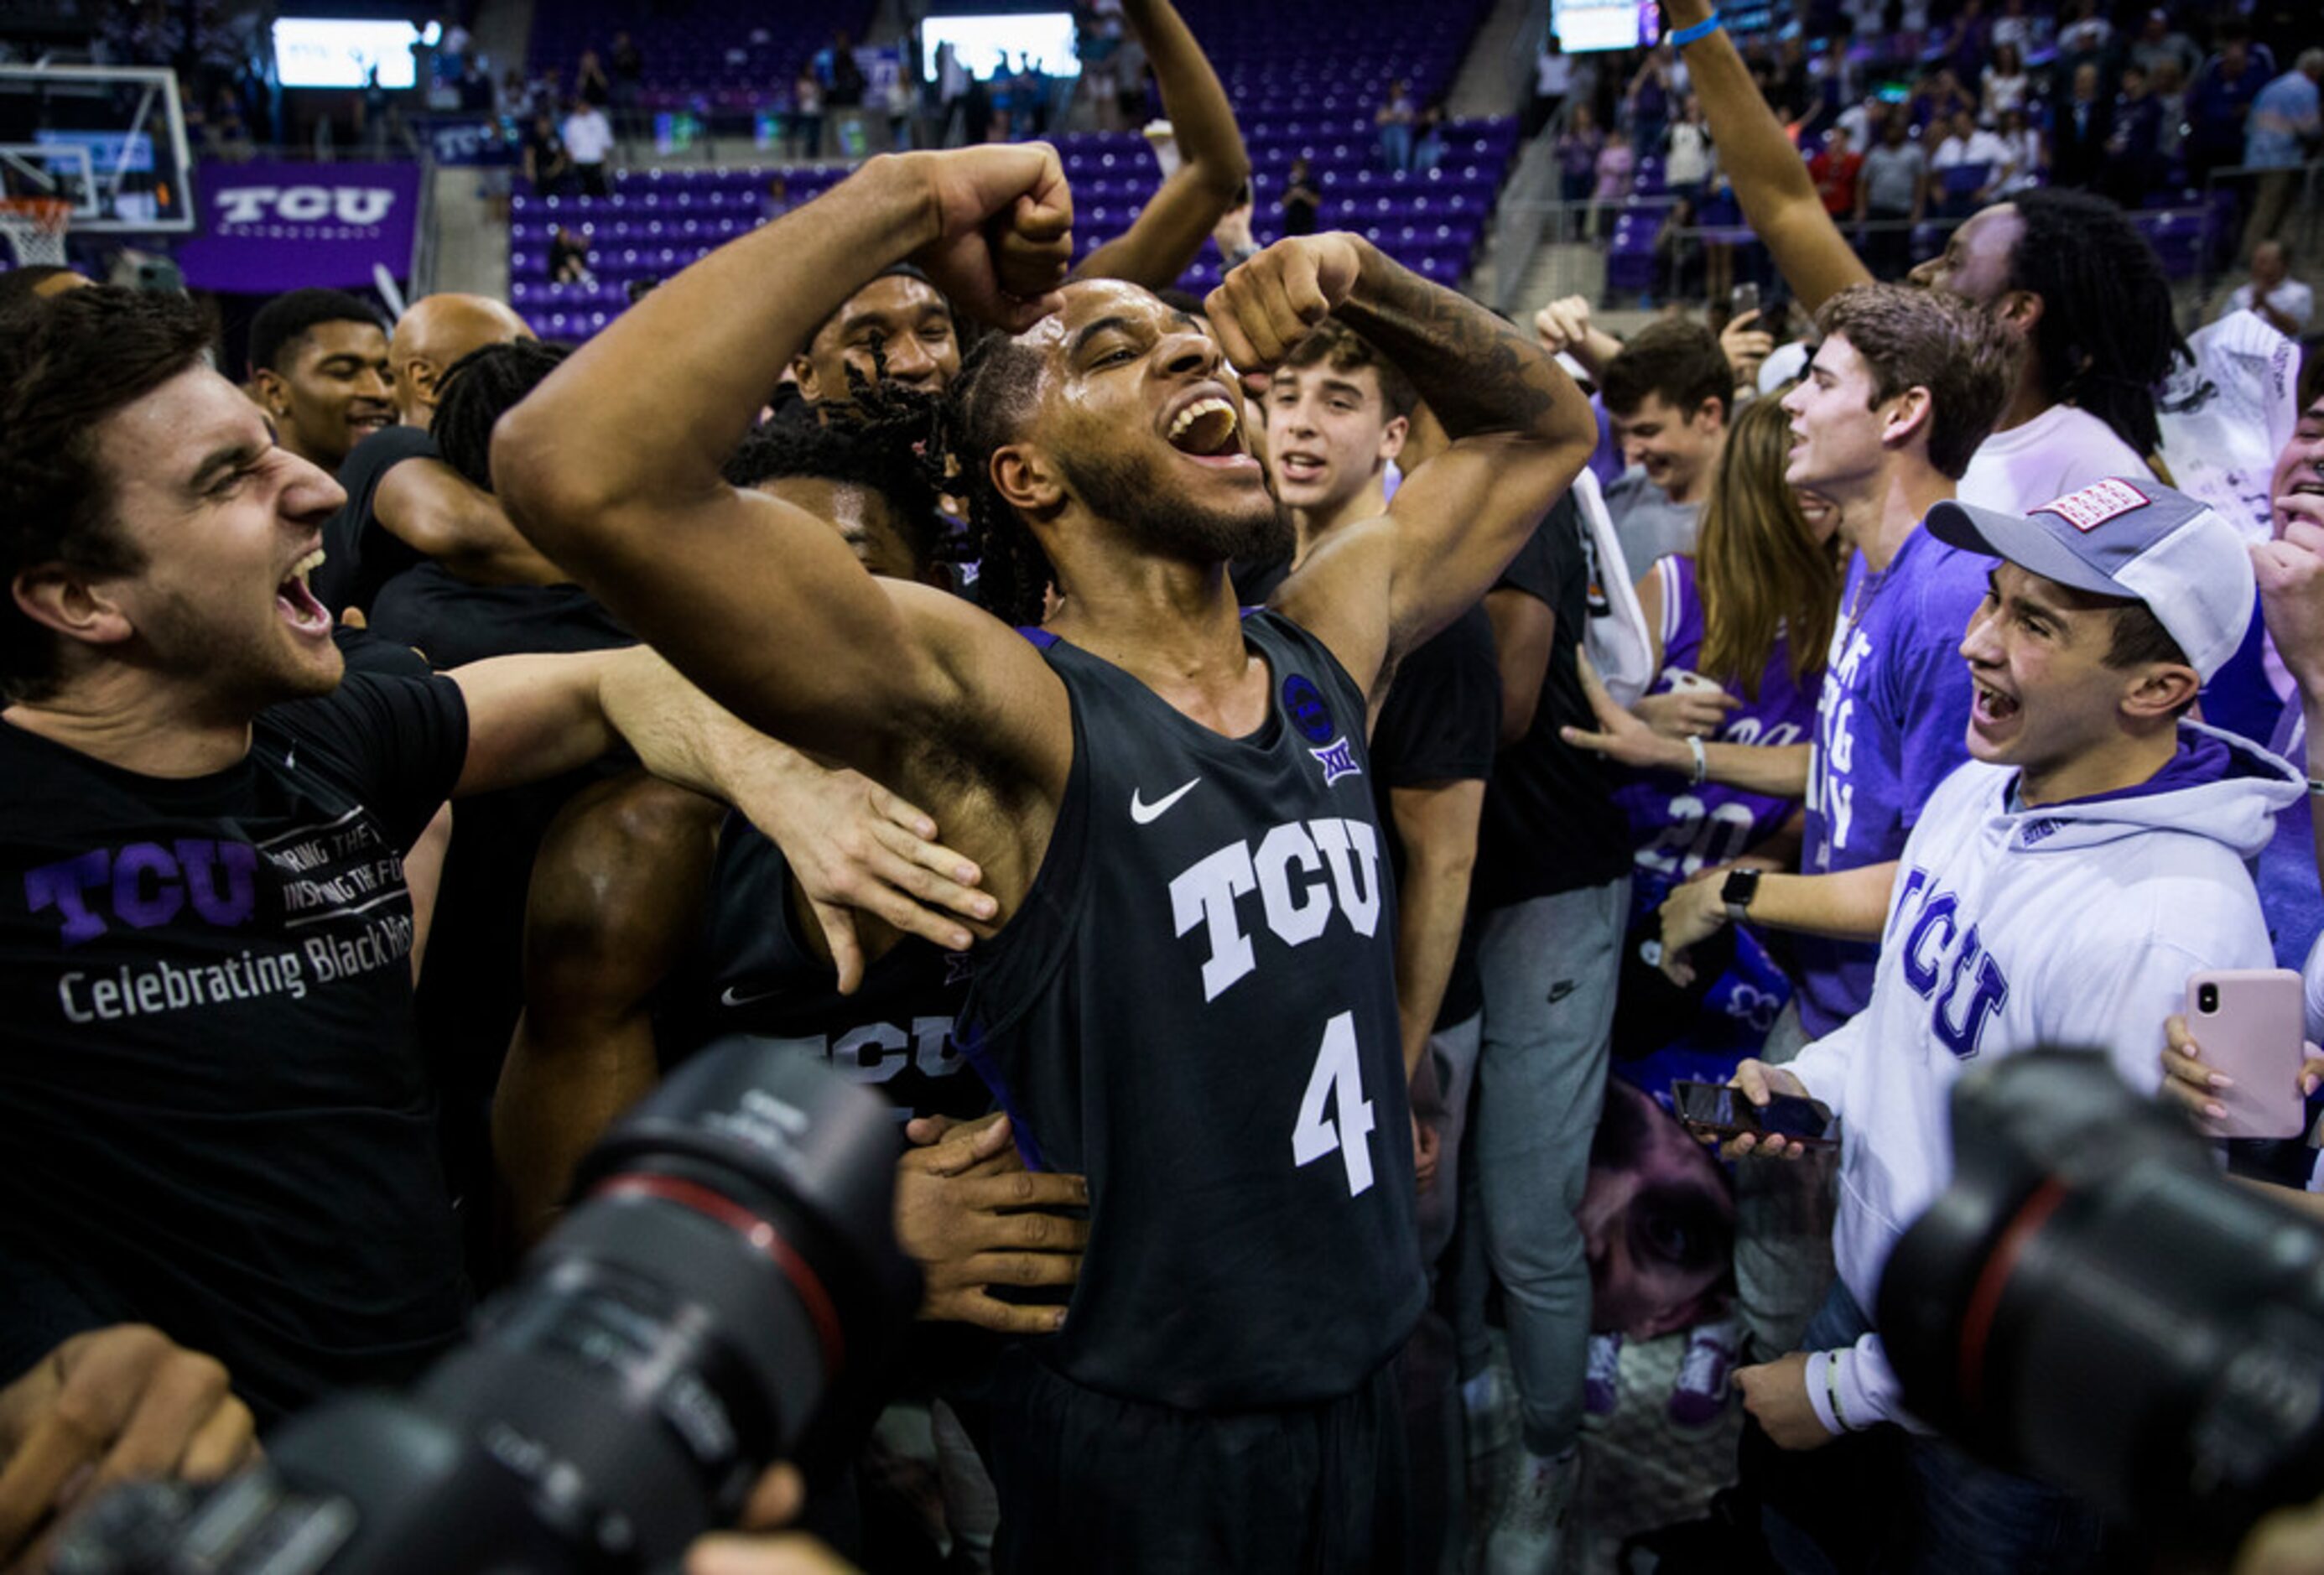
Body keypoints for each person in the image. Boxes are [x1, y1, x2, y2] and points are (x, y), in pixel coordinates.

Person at [488, 143, 1594, 1573]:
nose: (1192, 347)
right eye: (1117, 351)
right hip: (1161, 1429)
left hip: (1385, 1363)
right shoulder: (1010, 706)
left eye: (1191, 337)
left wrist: (1360, 279)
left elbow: (1542, 430)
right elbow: (575, 467)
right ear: (1024, 473)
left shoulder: (1326, 642)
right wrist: (908, 196)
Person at [0, 287, 884, 1425]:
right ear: (78, 597)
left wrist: (771, 772)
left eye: (273, 452)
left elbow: (607, 684)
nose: (320, 487)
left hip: (427, 1439)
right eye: (228, 479)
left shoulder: (322, 734)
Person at [1717, 479, 2293, 1572]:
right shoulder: (1981, 791)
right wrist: (1814, 1084)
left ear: (2156, 685)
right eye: (1993, 599)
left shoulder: (2174, 924)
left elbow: (2108, 1282)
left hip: (1997, 1418)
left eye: (2034, 623)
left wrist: (1843, 1390)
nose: (1977, 643)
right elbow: (1909, 1019)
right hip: (1879, 1307)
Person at [1659, 0, 2182, 513]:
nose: (1920, 272)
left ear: (2018, 310)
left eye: (1954, 262)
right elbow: (1783, 206)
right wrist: (1692, 19)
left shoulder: (2093, 470)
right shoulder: (1914, 396)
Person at [1598, 319, 1734, 569]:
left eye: (1647, 431)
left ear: (1708, 414)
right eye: (1624, 434)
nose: (1631, 450)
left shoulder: (1760, 523)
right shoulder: (1611, 507)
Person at [246, 288, 393, 476]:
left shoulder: (419, 494)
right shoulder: (245, 503)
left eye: (388, 376)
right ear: (274, 392)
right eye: (344, 372)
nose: (381, 392)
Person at [2243, 49, 2324, 258]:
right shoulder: (2305, 88)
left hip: (2259, 153)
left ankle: (2271, 256)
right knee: (2268, 208)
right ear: (2314, 69)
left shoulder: (2277, 84)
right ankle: (2251, 256)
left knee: (2274, 207)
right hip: (2278, 156)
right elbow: (2310, 128)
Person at [1852, 112, 1925, 281]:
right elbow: (1863, 183)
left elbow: (1921, 183)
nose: (1893, 133)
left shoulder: (1914, 153)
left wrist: (1917, 209)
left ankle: (1898, 285)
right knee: (1876, 252)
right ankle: (1875, 284)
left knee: (1898, 253)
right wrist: (1861, 209)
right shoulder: (1875, 154)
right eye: (1890, 129)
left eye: (1897, 129)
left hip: (1902, 210)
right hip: (1878, 210)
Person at [2223, 239, 2316, 336]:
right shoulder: (2239, 295)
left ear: (2282, 265)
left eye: (2263, 262)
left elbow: (2294, 329)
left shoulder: (2300, 293)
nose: (2255, 266)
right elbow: (2228, 329)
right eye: (2254, 260)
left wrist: (2266, 305)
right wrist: (2254, 306)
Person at [2049, 61, 2113, 190]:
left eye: (2086, 79)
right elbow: (2057, 136)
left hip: (2094, 162)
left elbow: (2105, 135)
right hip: (2067, 162)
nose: (2081, 83)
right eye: (2079, 79)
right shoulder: (2063, 108)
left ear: (2094, 82)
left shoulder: (2103, 108)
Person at [561, 96, 615, 198]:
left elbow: (606, 141)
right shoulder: (571, 122)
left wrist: (604, 157)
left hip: (596, 161)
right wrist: (571, 160)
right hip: (580, 162)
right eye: (580, 105)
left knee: (599, 191)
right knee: (582, 192)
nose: (582, 108)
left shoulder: (599, 119)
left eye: (584, 105)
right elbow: (568, 144)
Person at [1808, 124, 1861, 218]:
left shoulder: (1855, 161)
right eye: (1832, 141)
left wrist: (1859, 209)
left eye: (1838, 140)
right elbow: (1807, 189)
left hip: (1847, 211)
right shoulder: (1818, 162)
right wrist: (1819, 189)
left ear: (1846, 141)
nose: (1835, 144)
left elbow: (1860, 187)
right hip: (1823, 211)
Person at [1282, 154, 1322, 237]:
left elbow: (1317, 202)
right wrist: (1292, 195)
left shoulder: (1312, 183)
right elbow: (1283, 203)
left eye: (1299, 168)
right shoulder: (1289, 183)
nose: (1297, 171)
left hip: (1307, 223)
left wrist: (1304, 195)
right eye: (1295, 169)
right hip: (1291, 223)